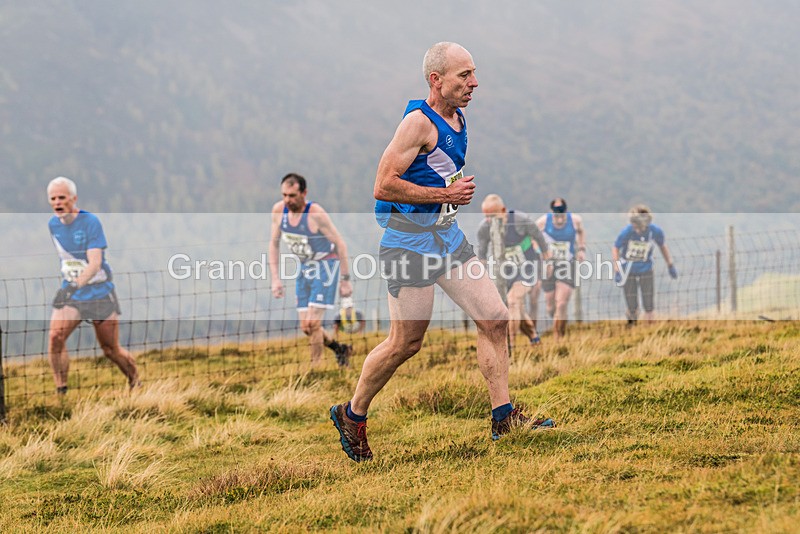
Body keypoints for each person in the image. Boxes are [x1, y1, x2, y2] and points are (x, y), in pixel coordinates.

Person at [329, 42, 555, 463]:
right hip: (407, 244)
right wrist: (445, 194)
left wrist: (446, 199)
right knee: (405, 343)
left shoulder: (457, 115)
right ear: (436, 81)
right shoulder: (416, 124)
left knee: (495, 316)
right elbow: (382, 186)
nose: (474, 82)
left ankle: (503, 418)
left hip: (447, 238)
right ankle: (352, 414)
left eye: (473, 73)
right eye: (464, 76)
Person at [46, 176, 139, 394]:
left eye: (62, 197)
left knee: (110, 349)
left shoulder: (90, 222)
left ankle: (135, 381)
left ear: (73, 198)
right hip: (72, 294)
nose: (58, 203)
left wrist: (73, 285)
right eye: (53, 199)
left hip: (98, 293)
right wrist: (69, 286)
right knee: (55, 337)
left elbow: (95, 263)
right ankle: (61, 390)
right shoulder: (52, 225)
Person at [269, 173, 354, 367]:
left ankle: (315, 370)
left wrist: (345, 279)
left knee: (314, 324)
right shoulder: (278, 211)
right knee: (306, 327)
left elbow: (340, 243)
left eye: (292, 195)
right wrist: (275, 279)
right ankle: (339, 349)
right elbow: (273, 244)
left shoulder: (315, 213)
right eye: (284, 195)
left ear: (304, 193)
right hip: (304, 267)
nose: (287, 200)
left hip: (326, 266)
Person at [477, 194, 550, 351]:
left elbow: (539, 237)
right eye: (486, 216)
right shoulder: (484, 228)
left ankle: (510, 348)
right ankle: (534, 337)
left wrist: (547, 261)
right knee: (514, 308)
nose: (489, 220)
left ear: (503, 210)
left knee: (513, 301)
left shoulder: (521, 220)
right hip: (504, 272)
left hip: (527, 268)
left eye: (492, 215)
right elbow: (482, 253)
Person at [530, 198, 586, 341]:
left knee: (561, 303)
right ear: (552, 213)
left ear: (566, 211)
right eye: (556, 215)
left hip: (567, 264)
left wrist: (581, 249)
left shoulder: (575, 220)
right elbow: (533, 237)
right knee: (551, 305)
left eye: (562, 215)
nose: (559, 219)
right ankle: (559, 324)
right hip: (548, 265)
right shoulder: (543, 221)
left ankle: (558, 338)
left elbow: (581, 232)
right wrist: (542, 254)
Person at [612, 204, 678, 325]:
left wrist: (670, 264)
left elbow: (662, 245)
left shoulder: (654, 231)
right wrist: (617, 269)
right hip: (628, 269)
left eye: (637, 224)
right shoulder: (627, 232)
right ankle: (632, 326)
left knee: (649, 303)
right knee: (631, 302)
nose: (635, 227)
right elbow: (616, 247)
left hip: (646, 269)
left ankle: (650, 328)